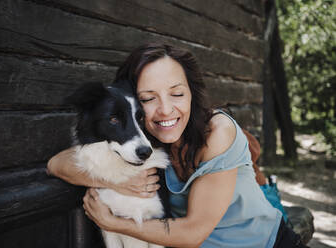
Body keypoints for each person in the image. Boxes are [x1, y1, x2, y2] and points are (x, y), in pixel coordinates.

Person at [47, 43, 307, 247]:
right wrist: (116, 181)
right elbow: (57, 164)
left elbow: (193, 233)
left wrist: (112, 222)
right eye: (149, 98)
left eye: (177, 94)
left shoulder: (217, 131)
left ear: (193, 93)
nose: (166, 110)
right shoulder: (145, 139)